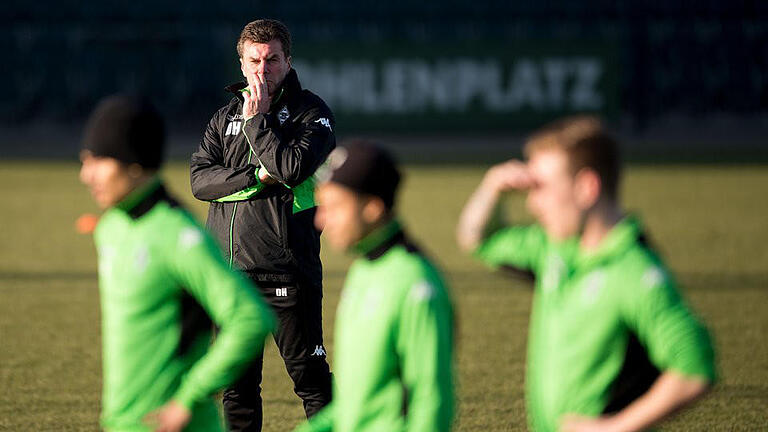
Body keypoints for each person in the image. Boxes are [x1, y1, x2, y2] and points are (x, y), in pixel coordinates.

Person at [456, 116, 716, 432]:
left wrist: (615, 427)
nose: (532, 204)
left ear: (586, 187)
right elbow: (476, 238)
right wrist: (492, 186)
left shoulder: (633, 270)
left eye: (541, 189)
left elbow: (694, 369)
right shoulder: (554, 249)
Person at [79, 95, 276, 432]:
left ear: (135, 163)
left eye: (99, 161)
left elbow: (251, 319)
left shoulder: (178, 236)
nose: (86, 175)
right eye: (84, 161)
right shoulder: (110, 228)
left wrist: (190, 396)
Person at [189, 19, 334, 431]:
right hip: (230, 276)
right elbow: (200, 181)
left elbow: (290, 167)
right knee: (237, 388)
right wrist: (255, 178)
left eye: (271, 60)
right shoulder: (223, 118)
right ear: (241, 64)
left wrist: (259, 122)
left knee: (312, 383)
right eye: (253, 60)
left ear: (287, 61)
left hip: (287, 272)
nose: (262, 69)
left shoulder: (312, 114)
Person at [295, 141, 455, 432]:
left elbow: (432, 402)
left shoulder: (415, 284)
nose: (320, 220)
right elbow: (360, 400)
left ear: (372, 208)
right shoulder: (363, 269)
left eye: (334, 207)